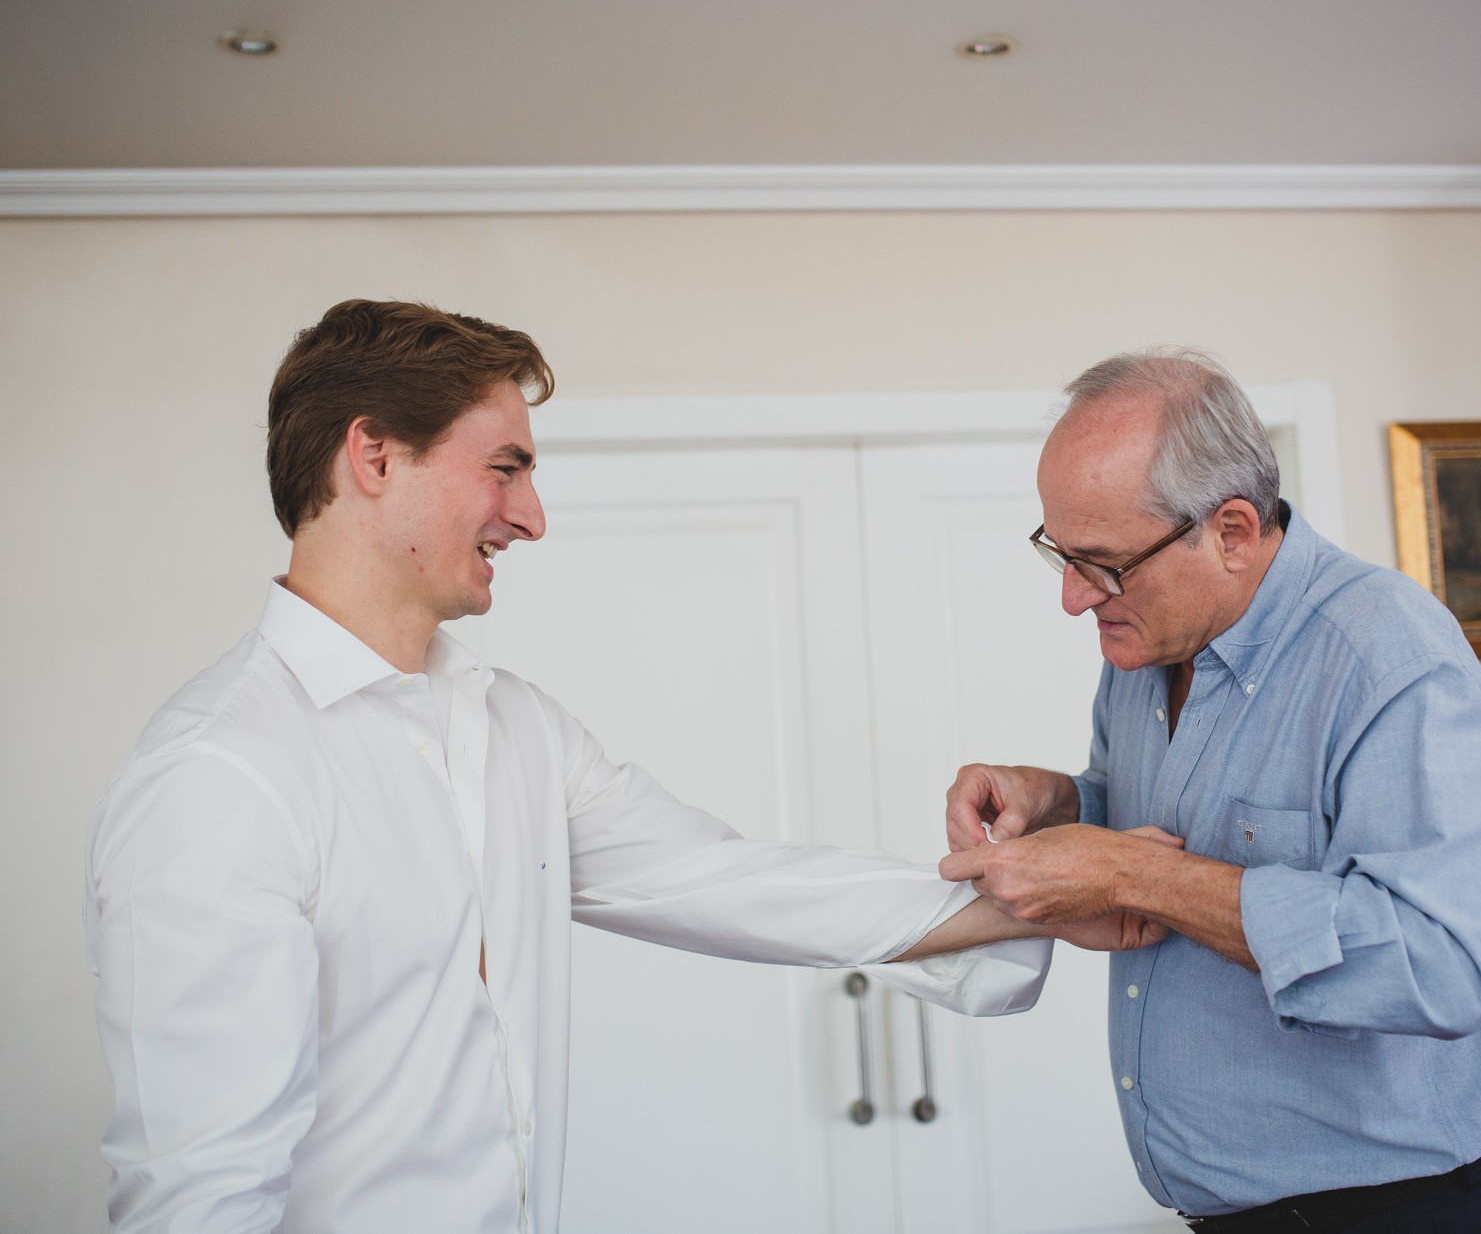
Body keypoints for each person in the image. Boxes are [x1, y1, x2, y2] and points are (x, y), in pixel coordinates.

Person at [83, 300, 1164, 1234]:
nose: (531, 517)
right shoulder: (220, 774)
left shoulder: (514, 730)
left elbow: (734, 883)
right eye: (502, 468)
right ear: (372, 456)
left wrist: (1058, 887)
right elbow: (200, 1194)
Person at [939, 349, 1481, 1232]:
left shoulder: (1387, 654)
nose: (1074, 598)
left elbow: (1448, 964)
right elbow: (1160, 819)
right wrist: (1063, 800)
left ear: (1230, 531)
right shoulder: (1145, 645)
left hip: (1404, 1214)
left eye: (1103, 563)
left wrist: (1134, 879)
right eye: (1061, 555)